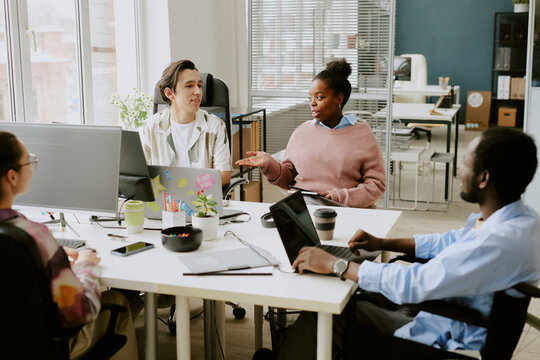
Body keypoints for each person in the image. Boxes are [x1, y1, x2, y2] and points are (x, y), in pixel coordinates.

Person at [272, 127, 540, 359]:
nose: (460, 169)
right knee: (357, 293)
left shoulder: (494, 242)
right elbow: (447, 242)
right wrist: (383, 242)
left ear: (484, 178)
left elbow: (414, 285)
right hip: (454, 312)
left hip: (444, 332)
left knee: (326, 313)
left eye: (467, 163)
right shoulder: (519, 219)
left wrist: (337, 265)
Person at [0, 131, 138, 359]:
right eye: (30, 161)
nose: (33, 167)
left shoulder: (32, 242)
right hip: (48, 346)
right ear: (12, 177)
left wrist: (45, 258)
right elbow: (77, 312)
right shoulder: (35, 236)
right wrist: (86, 265)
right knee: (119, 300)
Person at [236, 59, 385, 208]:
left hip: (345, 209)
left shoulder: (362, 134)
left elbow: (376, 184)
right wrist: (269, 163)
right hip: (303, 207)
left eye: (319, 97)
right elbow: (288, 179)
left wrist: (339, 197)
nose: (312, 103)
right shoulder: (302, 131)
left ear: (339, 99)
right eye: (310, 98)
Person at [140, 59, 232, 186]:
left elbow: (224, 175)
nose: (198, 91)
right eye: (189, 86)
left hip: (201, 200)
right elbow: (139, 173)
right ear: (169, 93)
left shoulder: (215, 126)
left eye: (199, 85)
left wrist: (189, 187)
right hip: (163, 201)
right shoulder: (150, 127)